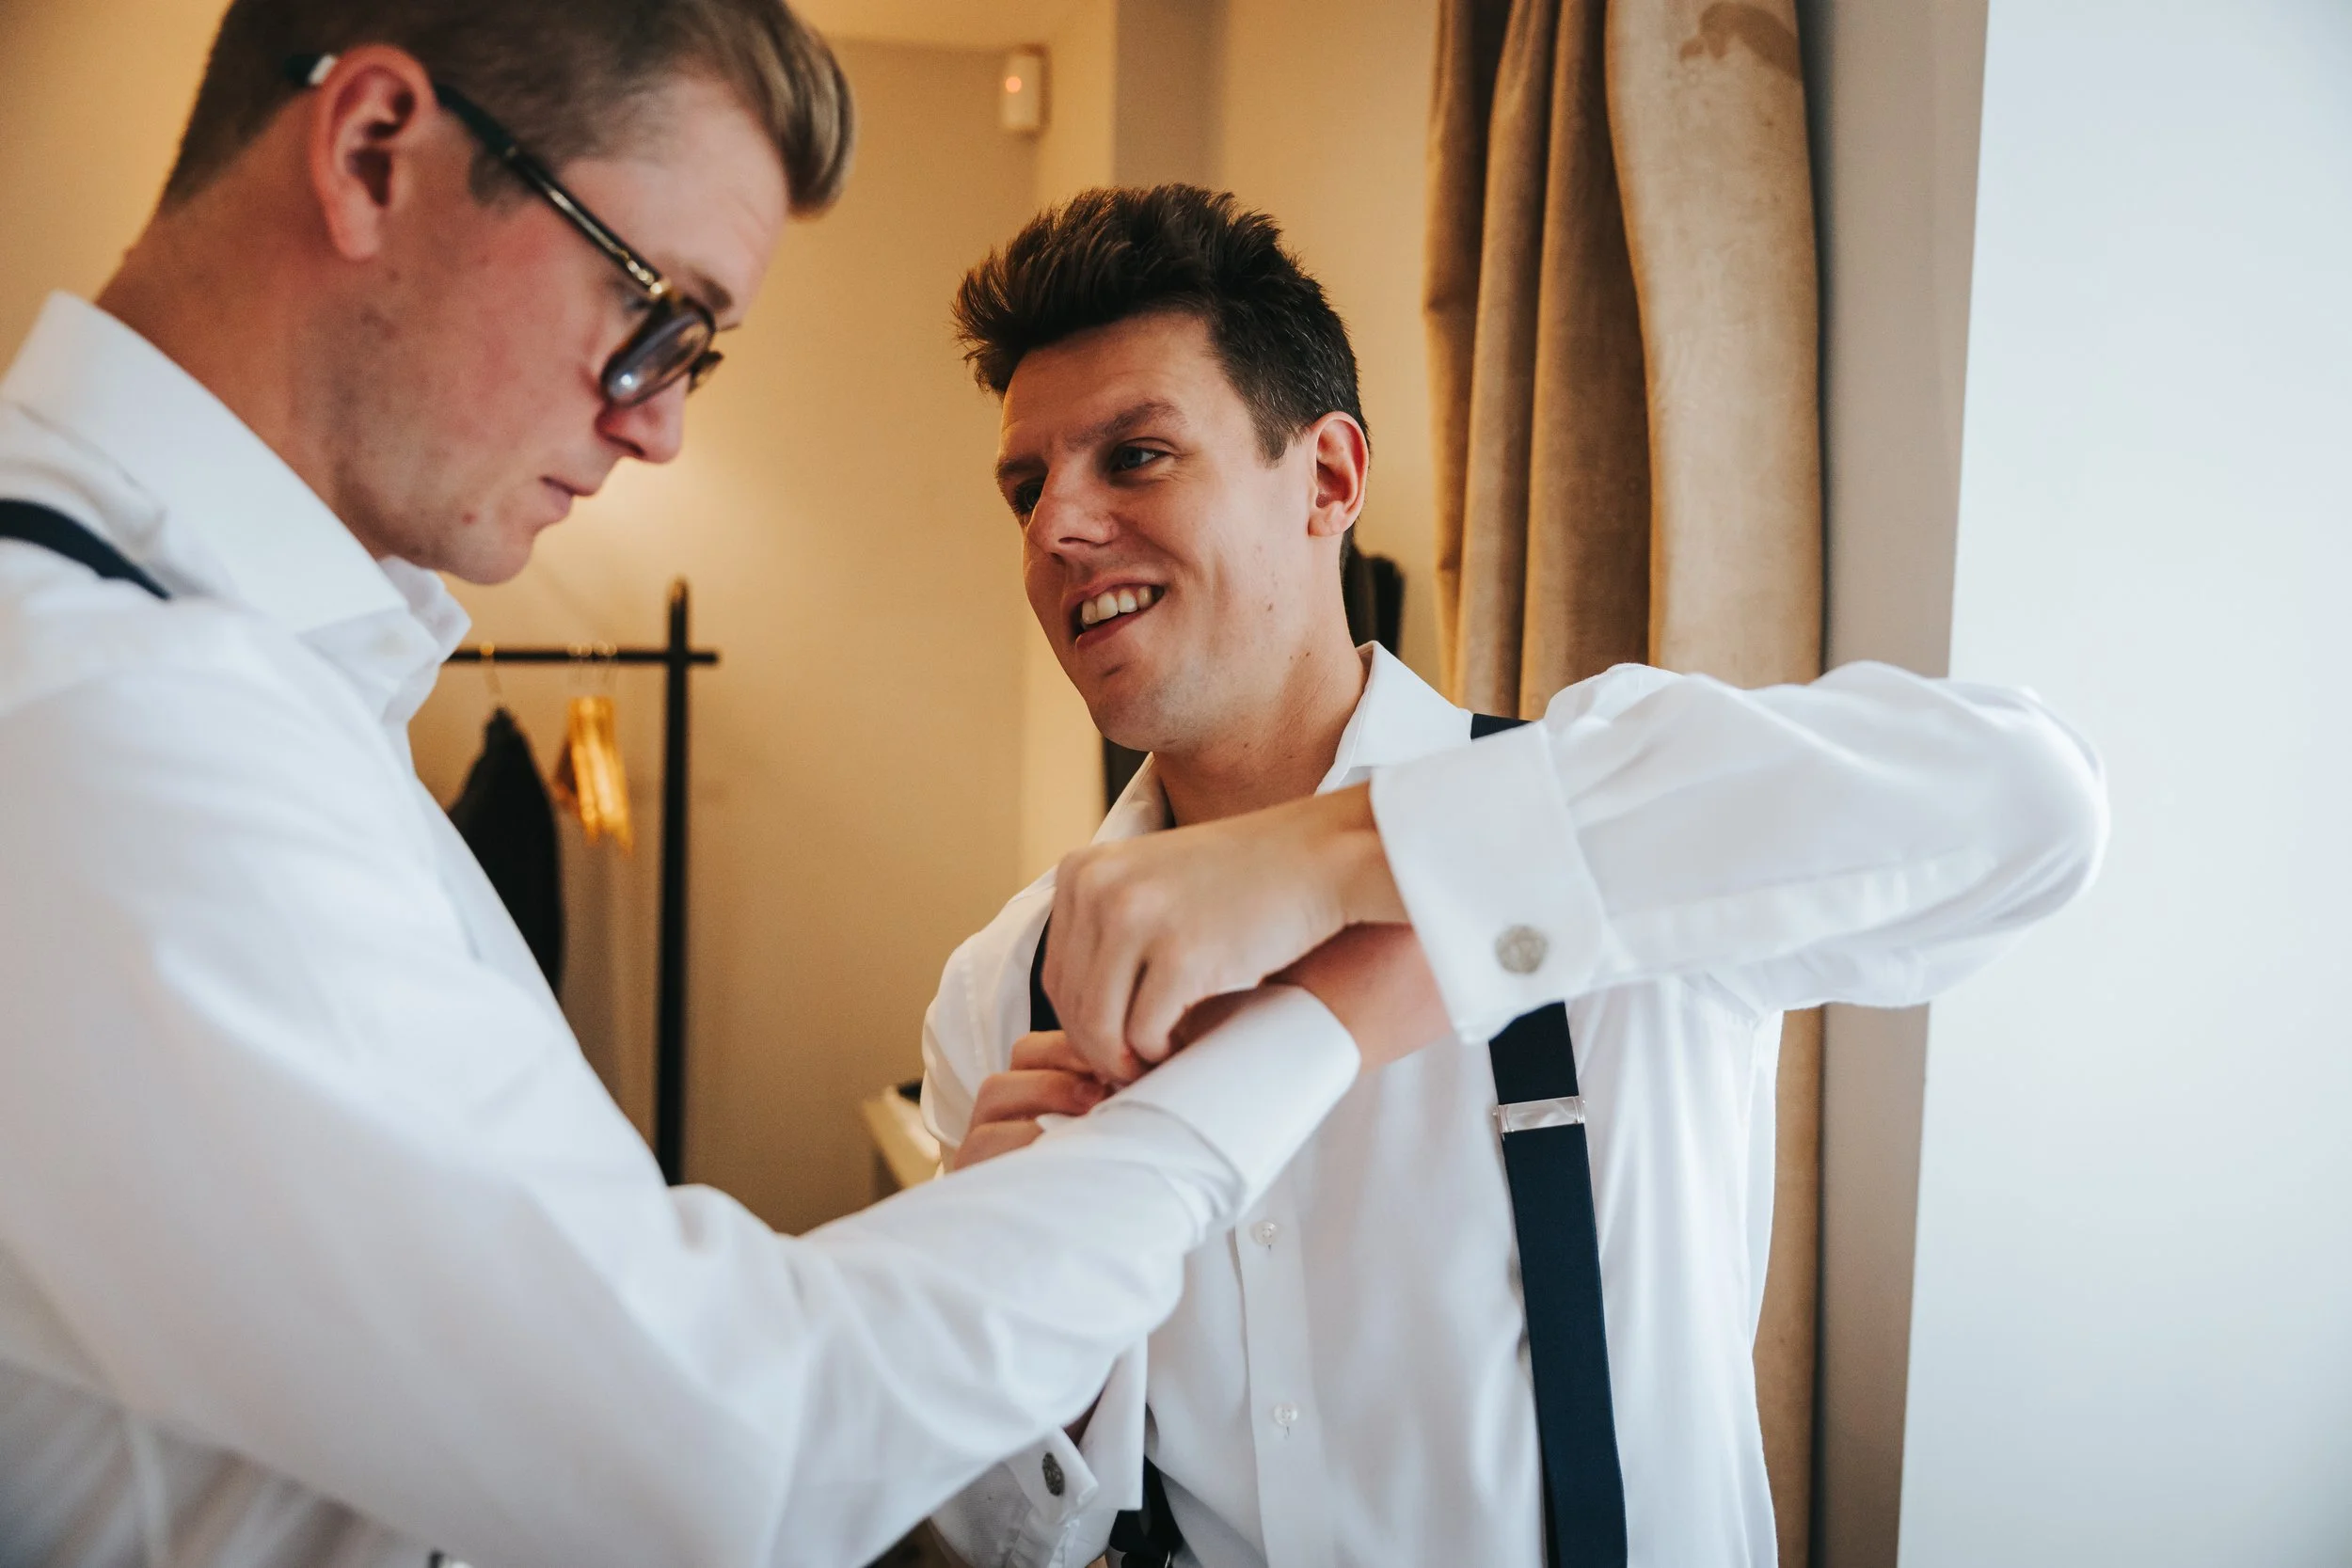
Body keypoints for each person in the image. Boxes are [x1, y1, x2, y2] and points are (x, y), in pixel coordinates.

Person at [0, 9, 1453, 1567]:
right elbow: (726, 1455)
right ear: (372, 154)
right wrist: (1321, 1019)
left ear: (1330, 483)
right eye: (655, 313)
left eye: (695, 350)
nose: (660, 422)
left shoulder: (246, 686)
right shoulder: (114, 707)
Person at [921, 185, 2108, 1568]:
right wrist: (1012, 1322)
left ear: (1328, 480)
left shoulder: (1608, 818)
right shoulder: (1001, 989)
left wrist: (1334, 854)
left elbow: (2035, 807)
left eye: (1133, 456)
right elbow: (1018, 1537)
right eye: (1026, 486)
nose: (1055, 527)